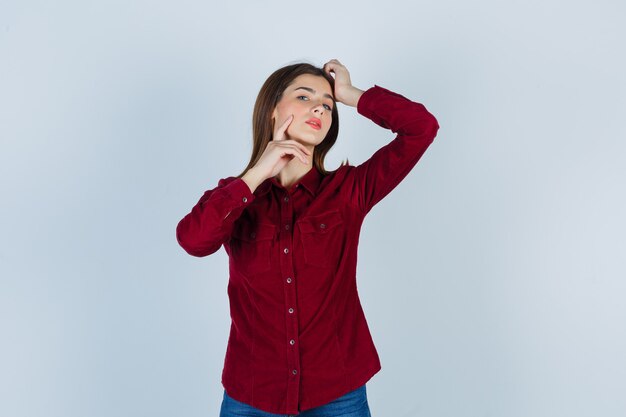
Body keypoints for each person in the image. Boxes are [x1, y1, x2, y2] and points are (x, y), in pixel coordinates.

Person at [176, 59, 440, 417]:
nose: (319, 106)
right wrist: (255, 176)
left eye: (327, 105)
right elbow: (194, 241)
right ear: (272, 110)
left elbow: (421, 128)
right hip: (252, 395)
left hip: (338, 393)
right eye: (304, 96)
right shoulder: (236, 197)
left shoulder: (349, 191)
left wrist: (349, 94)